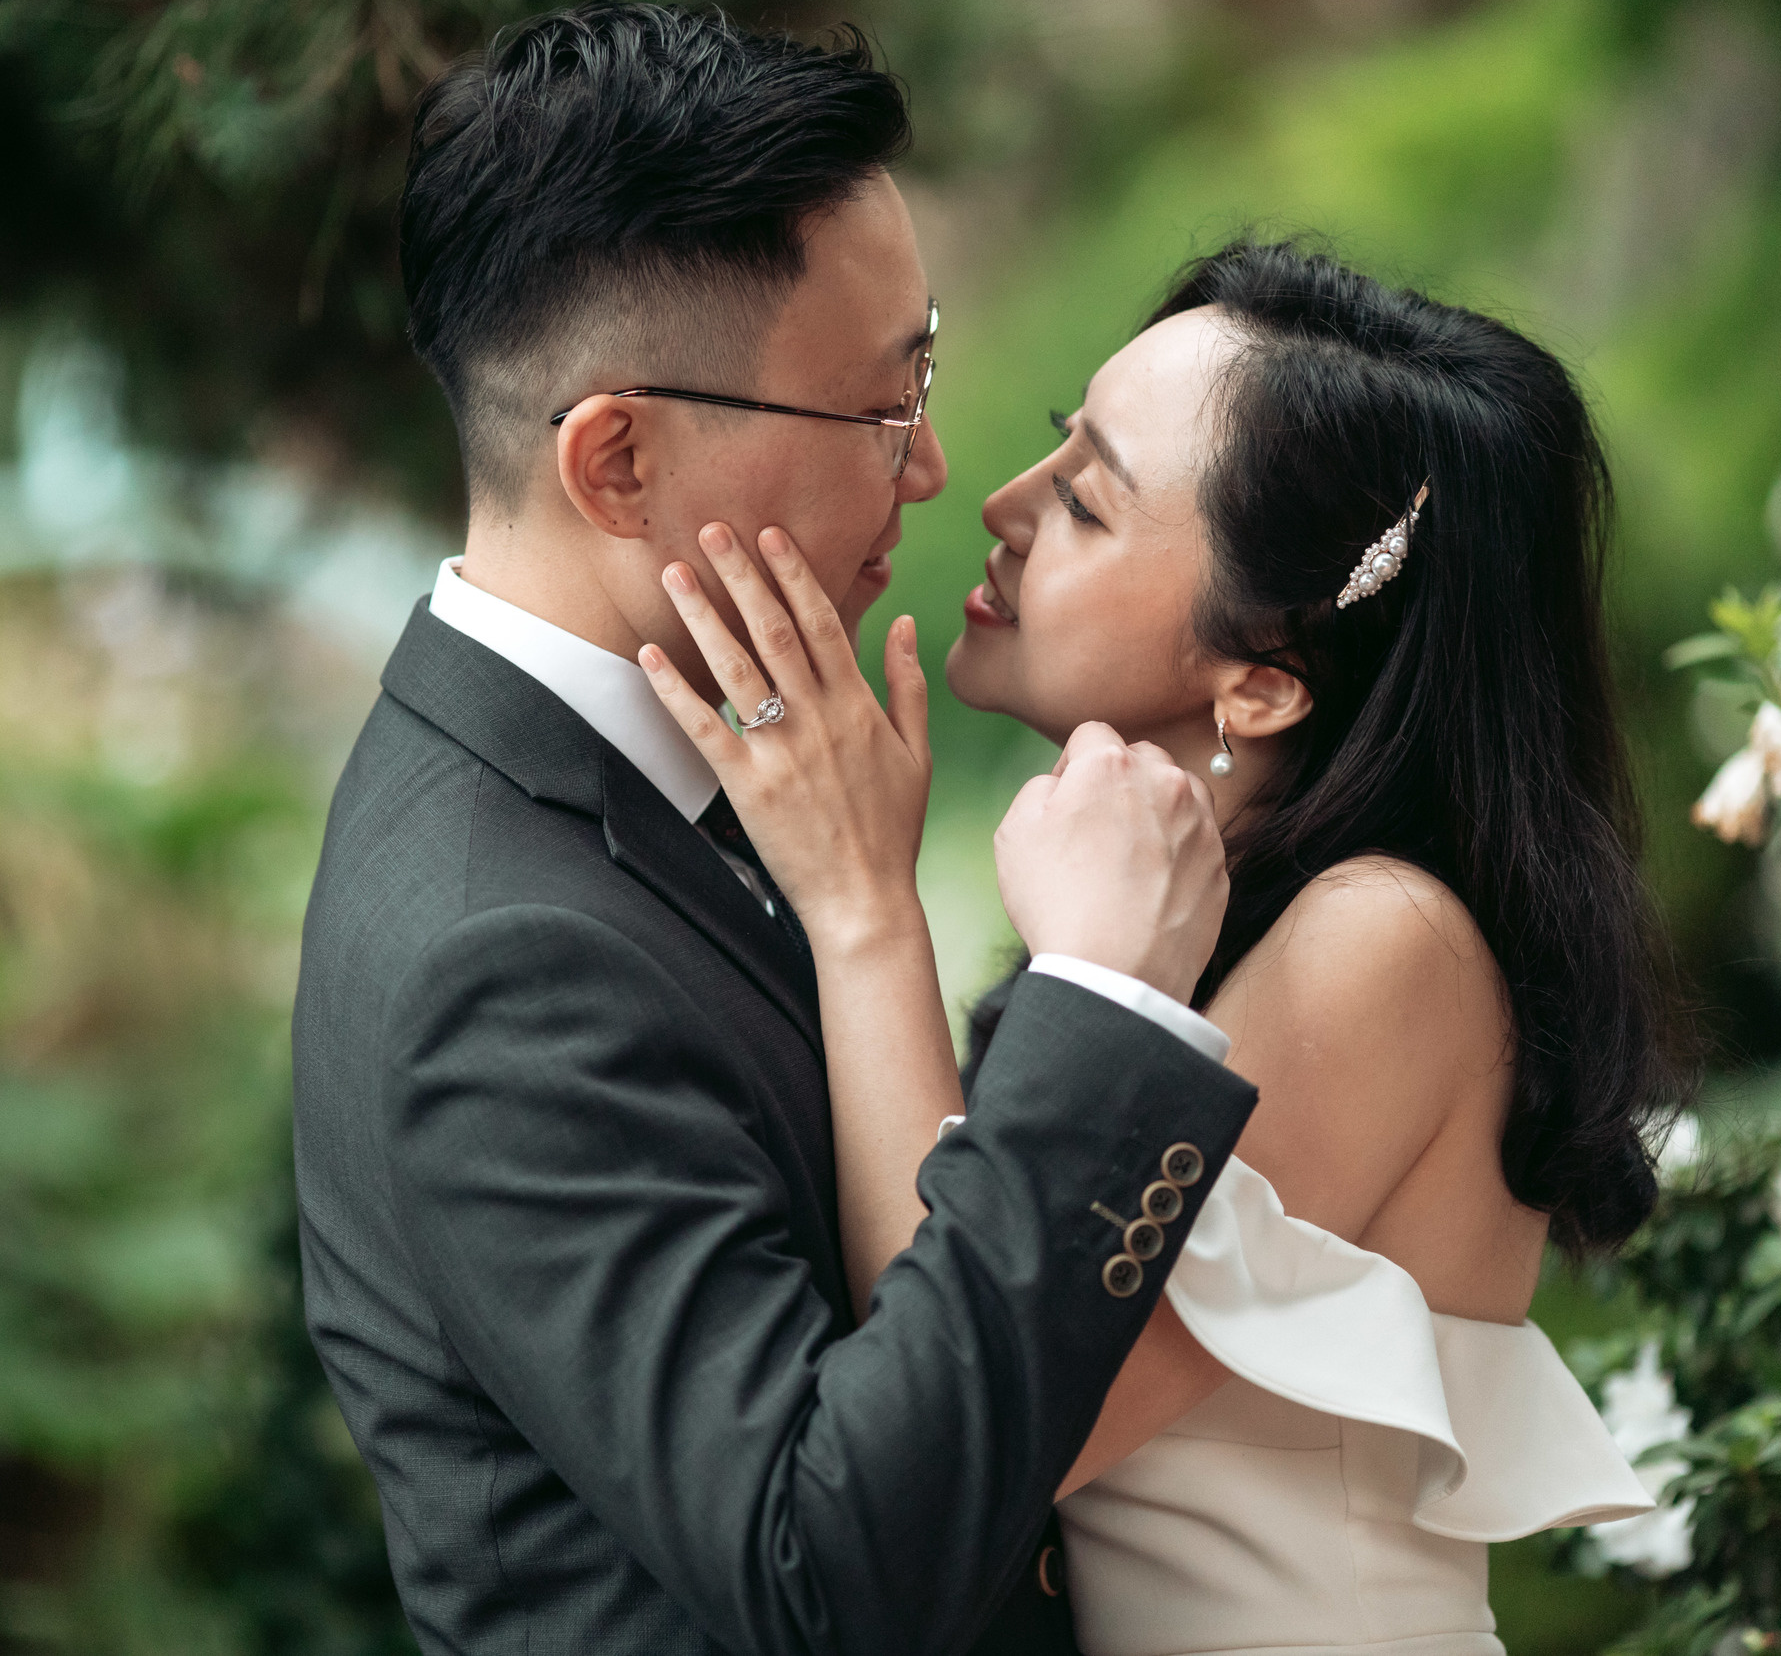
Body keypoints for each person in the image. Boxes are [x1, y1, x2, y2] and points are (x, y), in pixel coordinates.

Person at [293, 2, 1263, 1656]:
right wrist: (1105, 1019)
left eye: (927, 369)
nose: (939, 467)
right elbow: (835, 1574)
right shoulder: (498, 961)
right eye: (881, 412)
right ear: (617, 461)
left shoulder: (712, 752)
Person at [644, 240, 1691, 1654]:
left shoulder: (1385, 945)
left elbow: (965, 1409)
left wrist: (864, 911)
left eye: (1083, 498)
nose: (1002, 504)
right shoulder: (1225, 922)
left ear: (1260, 682)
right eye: (1053, 444)